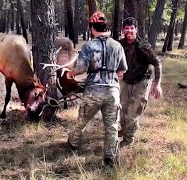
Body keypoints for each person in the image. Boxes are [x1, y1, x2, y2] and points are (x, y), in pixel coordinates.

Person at [66, 11, 128, 167]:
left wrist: (70, 73)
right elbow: (121, 71)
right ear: (106, 27)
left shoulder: (89, 46)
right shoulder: (118, 45)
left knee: (81, 121)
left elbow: (80, 68)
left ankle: (72, 144)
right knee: (112, 126)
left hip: (93, 92)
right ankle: (109, 158)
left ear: (92, 28)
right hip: (113, 92)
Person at [118, 17, 162, 147]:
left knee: (134, 111)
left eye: (131, 28)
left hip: (142, 80)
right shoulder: (120, 44)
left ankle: (128, 140)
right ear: (123, 30)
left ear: (136, 30)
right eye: (126, 28)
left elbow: (157, 63)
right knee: (122, 108)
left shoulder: (143, 46)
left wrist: (157, 84)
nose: (129, 31)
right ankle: (124, 129)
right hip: (126, 80)